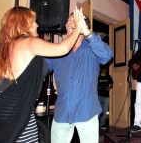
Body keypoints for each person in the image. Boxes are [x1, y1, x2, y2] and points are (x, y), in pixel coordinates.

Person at [0, 6, 86, 143]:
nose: (37, 24)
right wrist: (78, 27)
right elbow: (63, 48)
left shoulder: (11, 44)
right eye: (33, 21)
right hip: (11, 105)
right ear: (24, 24)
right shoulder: (29, 42)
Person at [46, 15, 113, 143]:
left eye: (73, 21)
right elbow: (39, 69)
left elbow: (106, 56)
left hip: (87, 111)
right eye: (67, 21)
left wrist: (87, 32)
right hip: (62, 112)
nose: (67, 23)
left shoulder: (92, 48)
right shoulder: (58, 49)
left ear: (83, 26)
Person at [97, 64, 114, 130]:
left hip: (106, 96)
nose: (105, 70)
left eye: (106, 69)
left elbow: (112, 85)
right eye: (104, 69)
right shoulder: (98, 76)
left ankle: (102, 124)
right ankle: (96, 124)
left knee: (105, 111)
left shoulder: (108, 76)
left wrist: (109, 88)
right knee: (98, 111)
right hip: (99, 96)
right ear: (101, 69)